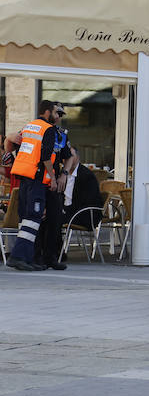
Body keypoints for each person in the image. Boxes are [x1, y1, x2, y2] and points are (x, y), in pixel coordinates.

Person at [6, 100, 59, 271]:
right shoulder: (48, 129)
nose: (56, 115)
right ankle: (18, 257)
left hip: (24, 178)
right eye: (54, 112)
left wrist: (7, 137)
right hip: (36, 179)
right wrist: (54, 178)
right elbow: (45, 158)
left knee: (25, 219)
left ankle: (26, 258)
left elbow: (9, 148)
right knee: (33, 219)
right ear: (47, 112)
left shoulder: (29, 127)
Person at [35, 103, 71, 270]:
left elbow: (70, 156)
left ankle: (51, 257)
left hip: (53, 183)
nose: (59, 117)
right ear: (49, 112)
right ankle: (37, 257)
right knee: (38, 220)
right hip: (39, 181)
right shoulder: (39, 129)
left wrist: (65, 174)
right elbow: (13, 139)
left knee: (55, 220)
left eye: (61, 114)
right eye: (58, 113)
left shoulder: (61, 135)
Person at [63, 149, 103, 229]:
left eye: (71, 156)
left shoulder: (87, 175)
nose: (67, 159)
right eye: (66, 156)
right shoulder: (63, 175)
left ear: (78, 158)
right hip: (68, 212)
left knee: (53, 219)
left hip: (83, 215)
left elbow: (89, 201)